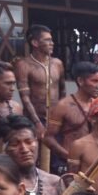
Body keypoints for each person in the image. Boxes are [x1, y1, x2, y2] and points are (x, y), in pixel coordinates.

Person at [0, 115, 66, 195]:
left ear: (36, 142)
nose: (24, 149)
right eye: (15, 143)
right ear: (3, 149)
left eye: (29, 142)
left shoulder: (55, 183)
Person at [14, 24, 65, 167]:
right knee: (34, 160)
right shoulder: (23, 65)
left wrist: (61, 118)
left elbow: (63, 92)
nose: (52, 43)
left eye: (52, 40)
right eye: (47, 40)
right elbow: (25, 97)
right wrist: (37, 123)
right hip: (34, 120)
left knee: (57, 162)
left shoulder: (57, 64)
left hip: (55, 120)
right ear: (35, 43)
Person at [46, 61, 98, 170]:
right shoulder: (64, 106)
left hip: (92, 163)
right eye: (94, 81)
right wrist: (68, 156)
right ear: (81, 81)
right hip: (69, 163)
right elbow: (47, 138)